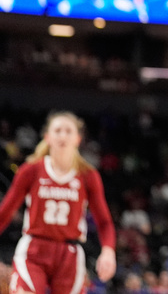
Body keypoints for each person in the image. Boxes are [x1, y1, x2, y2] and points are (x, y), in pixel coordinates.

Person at [0, 111, 117, 294]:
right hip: (34, 249)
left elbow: (104, 221)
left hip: (69, 253)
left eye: (68, 131)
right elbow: (5, 212)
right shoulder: (30, 170)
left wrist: (108, 251)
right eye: (58, 130)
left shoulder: (88, 175)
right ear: (47, 137)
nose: (63, 135)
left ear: (78, 139)